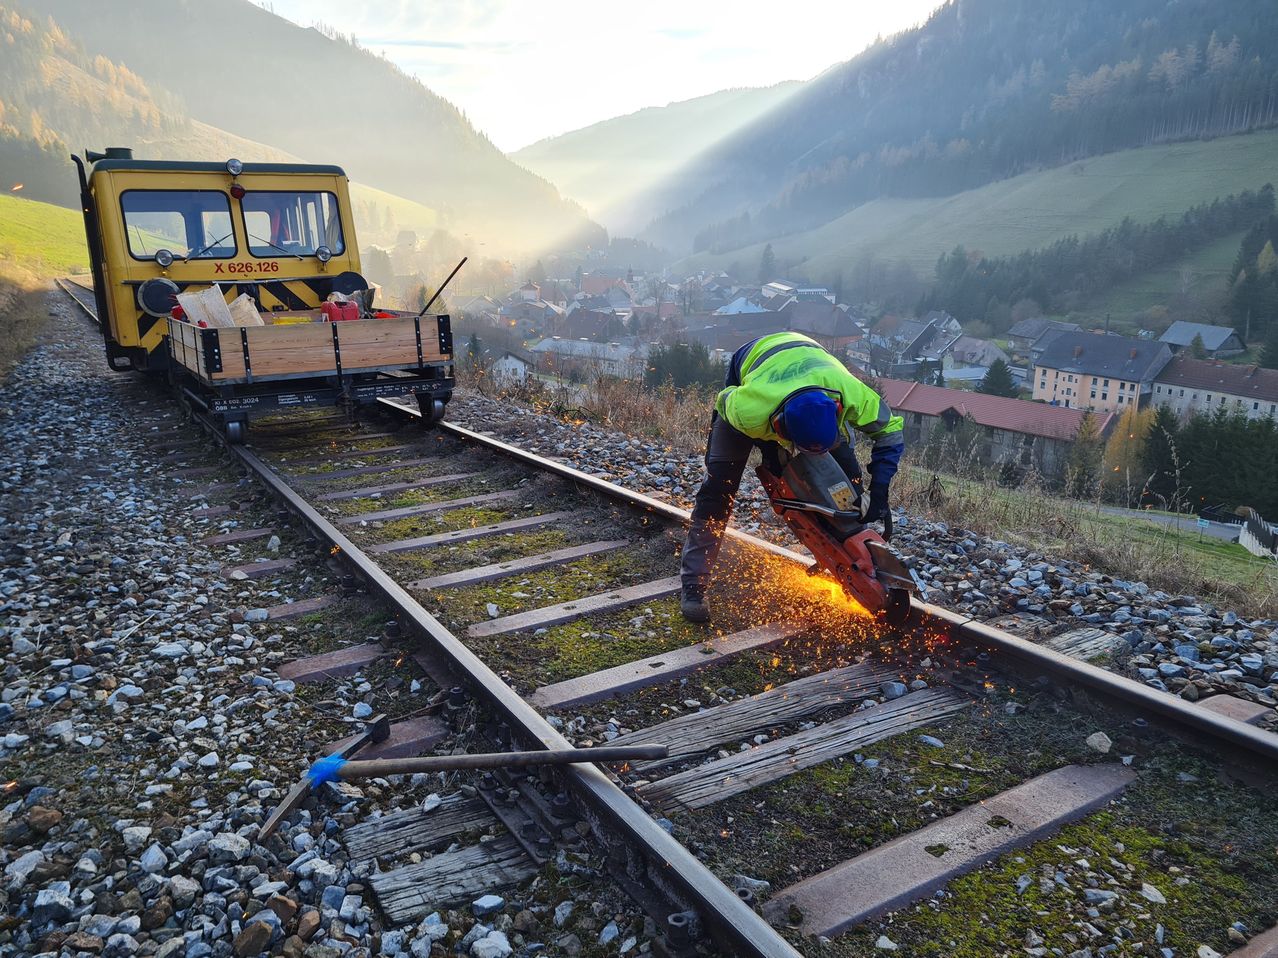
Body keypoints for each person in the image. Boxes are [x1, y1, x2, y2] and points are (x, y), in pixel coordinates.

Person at [680, 331, 904, 622]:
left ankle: (840, 550)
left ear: (837, 411)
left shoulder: (850, 392)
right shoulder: (746, 409)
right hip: (752, 369)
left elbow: (890, 432)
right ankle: (694, 586)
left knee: (848, 482)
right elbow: (725, 401)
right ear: (780, 427)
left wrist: (880, 491)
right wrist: (769, 448)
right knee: (718, 491)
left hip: (810, 370)